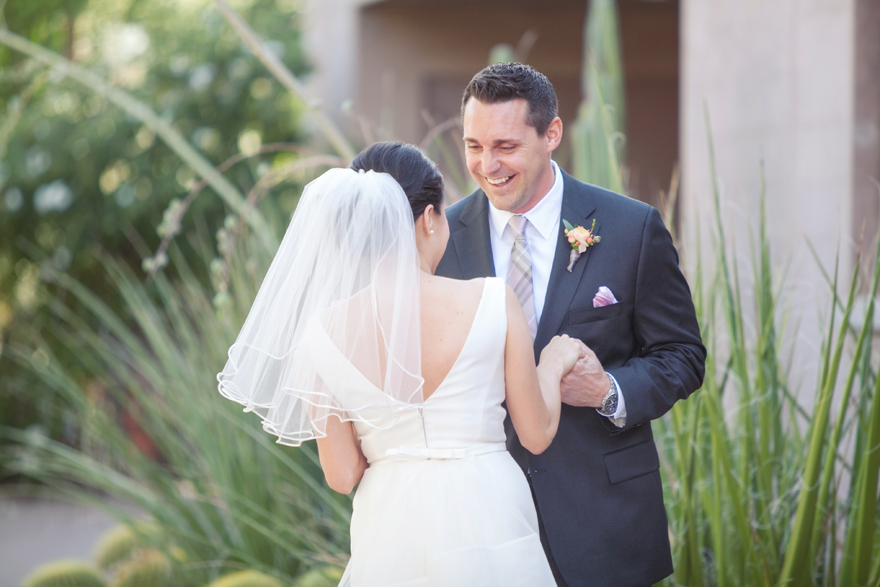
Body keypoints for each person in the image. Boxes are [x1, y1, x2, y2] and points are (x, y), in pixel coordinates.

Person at [217, 141, 584, 586]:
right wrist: (553, 362)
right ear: (429, 218)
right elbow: (536, 432)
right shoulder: (491, 299)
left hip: (389, 520)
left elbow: (341, 474)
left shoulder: (321, 333)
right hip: (488, 506)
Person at [435, 62, 706, 587]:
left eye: (506, 146)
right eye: (474, 146)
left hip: (604, 522)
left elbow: (683, 355)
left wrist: (609, 390)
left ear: (552, 133)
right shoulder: (441, 239)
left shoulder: (631, 228)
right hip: (481, 524)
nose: (488, 165)